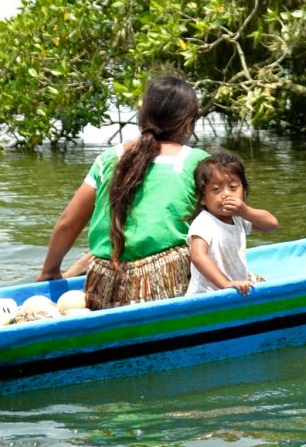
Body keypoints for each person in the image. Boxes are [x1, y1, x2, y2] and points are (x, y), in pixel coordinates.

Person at [36, 75, 208, 309]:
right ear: (188, 122)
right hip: (165, 283)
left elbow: (67, 223)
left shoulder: (108, 158)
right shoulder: (198, 162)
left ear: (143, 116)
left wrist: (50, 271)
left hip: (104, 284)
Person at [185, 150, 278, 296]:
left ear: (244, 192)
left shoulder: (239, 217)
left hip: (237, 287)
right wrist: (225, 284)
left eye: (233, 187)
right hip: (208, 293)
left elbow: (272, 224)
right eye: (216, 189)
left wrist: (245, 211)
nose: (226, 194)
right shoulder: (204, 223)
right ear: (202, 198)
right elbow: (198, 256)